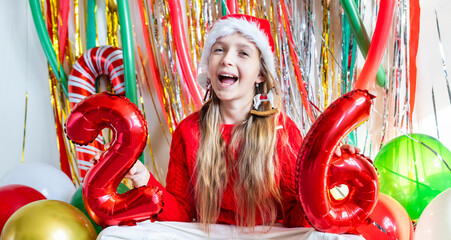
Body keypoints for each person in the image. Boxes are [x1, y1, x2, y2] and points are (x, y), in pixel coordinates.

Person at [96, 14, 361, 239]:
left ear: (259, 74)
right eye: (219, 49)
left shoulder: (281, 129)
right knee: (114, 236)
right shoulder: (189, 130)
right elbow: (179, 213)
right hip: (207, 232)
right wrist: (142, 177)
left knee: (336, 237)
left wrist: (323, 178)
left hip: (268, 233)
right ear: (210, 65)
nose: (226, 59)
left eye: (242, 52)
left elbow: (295, 216)